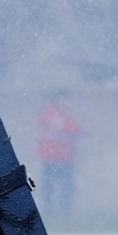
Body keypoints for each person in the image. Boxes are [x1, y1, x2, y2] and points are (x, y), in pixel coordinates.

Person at [36, 91, 81, 219]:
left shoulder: (66, 114)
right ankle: (49, 211)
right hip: (52, 158)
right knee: (50, 187)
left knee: (66, 187)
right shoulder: (51, 114)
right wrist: (82, 128)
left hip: (65, 158)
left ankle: (64, 212)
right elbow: (67, 128)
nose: (68, 103)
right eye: (66, 99)